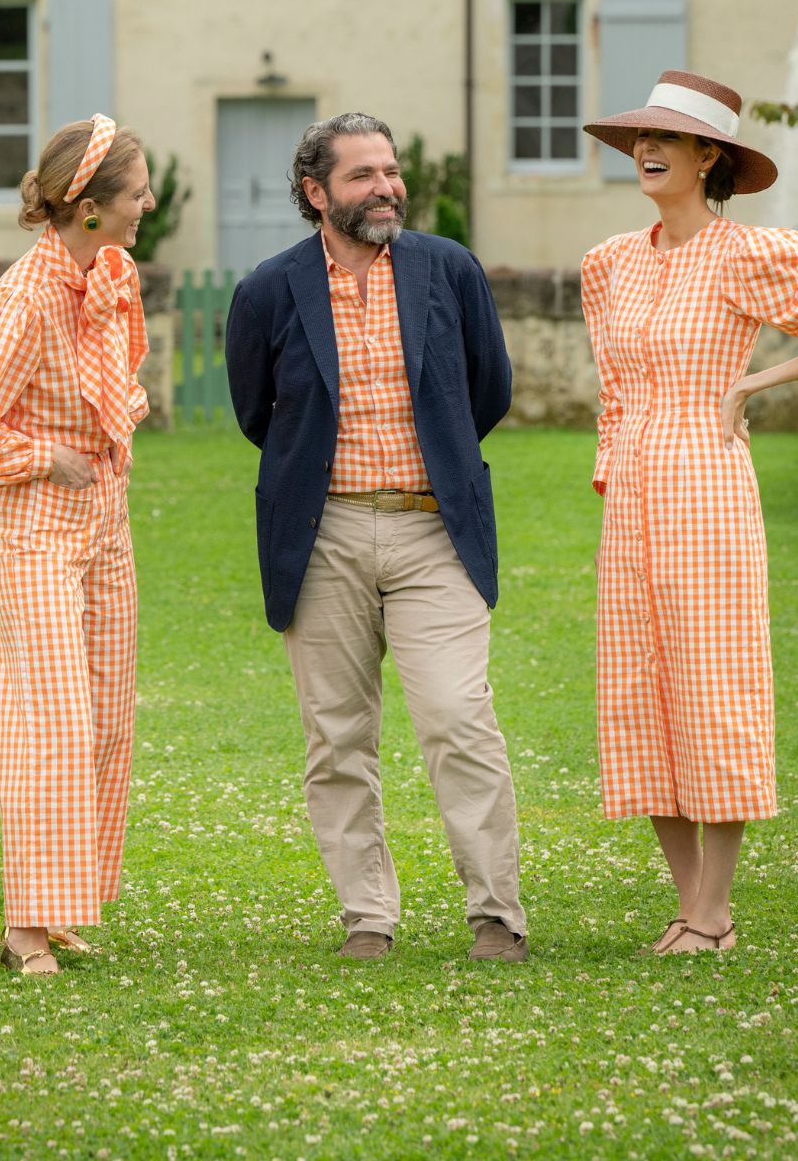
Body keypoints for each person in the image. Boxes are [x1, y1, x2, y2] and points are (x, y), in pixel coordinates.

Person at [580, 71, 798, 954]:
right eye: (641, 137)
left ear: (709, 156)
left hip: (707, 488)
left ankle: (715, 911)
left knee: (712, 688)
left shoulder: (748, 254)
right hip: (631, 497)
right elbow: (612, 392)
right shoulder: (609, 263)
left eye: (667, 139)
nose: (647, 149)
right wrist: (610, 470)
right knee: (641, 693)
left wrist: (752, 383)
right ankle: (690, 908)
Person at [225, 112, 528, 963]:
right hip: (320, 537)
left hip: (436, 532)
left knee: (458, 718)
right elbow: (259, 415)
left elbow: (488, 391)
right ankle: (367, 915)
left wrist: (437, 461)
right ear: (316, 192)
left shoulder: (449, 270)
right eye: (363, 175)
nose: (386, 187)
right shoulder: (268, 290)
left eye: (390, 170)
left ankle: (496, 913)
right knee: (337, 738)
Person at [0, 115, 154, 974]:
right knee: (52, 719)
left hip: (106, 518)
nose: (149, 204)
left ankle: (60, 908)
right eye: (138, 194)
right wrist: (42, 456)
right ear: (89, 205)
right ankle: (25, 924)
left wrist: (114, 426)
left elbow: (123, 368)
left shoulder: (113, 271)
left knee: (105, 719)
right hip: (35, 530)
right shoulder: (22, 300)